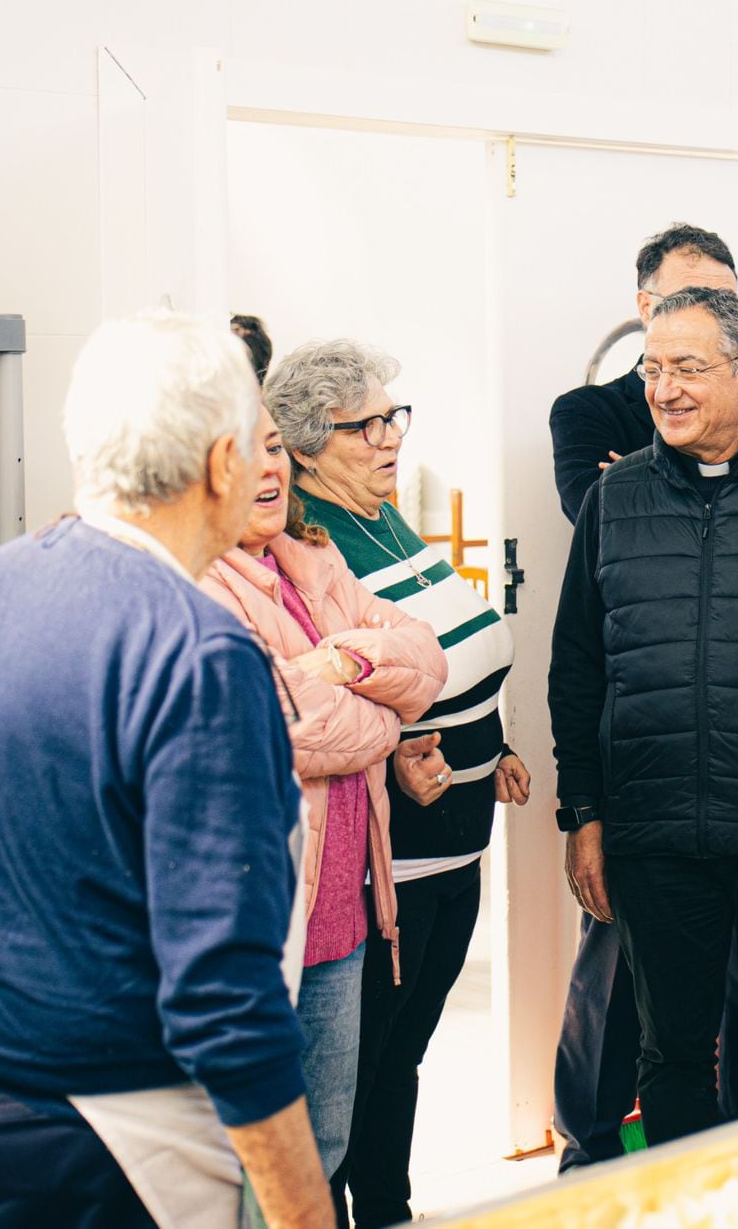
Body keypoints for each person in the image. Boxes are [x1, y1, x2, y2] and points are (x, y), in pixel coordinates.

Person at [0, 314, 332, 1228]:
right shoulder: (199, 652)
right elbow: (223, 995)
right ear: (221, 464)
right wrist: (303, 1214)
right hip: (96, 1144)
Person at [549, 286, 738, 1146]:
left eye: (688, 368)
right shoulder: (615, 501)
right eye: (652, 369)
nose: (664, 389)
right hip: (654, 836)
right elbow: (576, 667)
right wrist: (585, 813)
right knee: (672, 1056)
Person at [267, 339, 528, 1227]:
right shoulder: (311, 536)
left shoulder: (384, 516)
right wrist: (399, 743)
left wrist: (495, 742)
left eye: (393, 418)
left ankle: (390, 1209)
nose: (390, 438)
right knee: (367, 1062)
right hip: (394, 850)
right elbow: (331, 690)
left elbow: (445, 650)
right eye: (366, 425)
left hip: (457, 832)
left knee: (404, 1051)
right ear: (304, 447)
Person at [198, 401, 450, 1181]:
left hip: (342, 915)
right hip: (258, 923)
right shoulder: (196, 585)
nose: (269, 468)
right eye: (245, 454)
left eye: (275, 448)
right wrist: (379, 717)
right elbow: (274, 724)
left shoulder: (316, 563)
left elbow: (427, 658)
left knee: (324, 1149)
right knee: (249, 1165)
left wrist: (337, 666)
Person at [549, 222, 738, 522]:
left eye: (726, 303)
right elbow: (600, 520)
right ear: (646, 307)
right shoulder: (589, 412)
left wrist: (642, 486)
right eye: (686, 299)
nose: (711, 315)